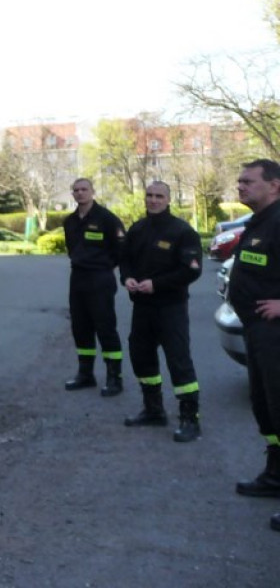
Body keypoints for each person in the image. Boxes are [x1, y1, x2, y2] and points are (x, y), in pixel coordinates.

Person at [119, 181, 203, 442]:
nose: (153, 200)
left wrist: (157, 284)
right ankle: (153, 410)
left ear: (168, 199)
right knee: (141, 356)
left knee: (178, 361)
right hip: (142, 308)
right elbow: (126, 260)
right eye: (149, 195)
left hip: (171, 307)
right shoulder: (137, 229)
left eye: (159, 196)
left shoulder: (182, 231)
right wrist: (127, 278)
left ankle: (190, 419)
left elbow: (191, 270)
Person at [228, 159, 280, 533]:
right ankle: (276, 475)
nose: (240, 186)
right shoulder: (258, 223)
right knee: (266, 408)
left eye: (248, 181)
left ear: (274, 185)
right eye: (239, 181)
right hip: (255, 330)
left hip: (275, 331)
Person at [62, 178, 126, 396]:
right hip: (78, 278)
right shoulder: (69, 221)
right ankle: (85, 374)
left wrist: (105, 266)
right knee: (80, 327)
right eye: (76, 190)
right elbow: (72, 249)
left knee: (105, 327)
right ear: (73, 194)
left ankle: (114, 377)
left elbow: (121, 250)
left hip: (100, 279)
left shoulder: (107, 219)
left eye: (84, 189)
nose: (80, 193)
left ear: (92, 192)